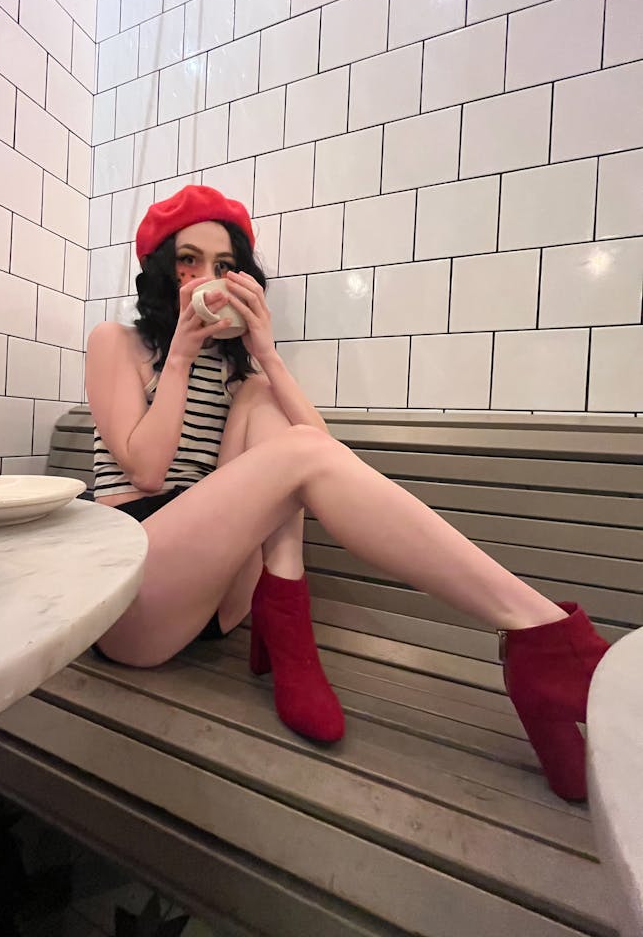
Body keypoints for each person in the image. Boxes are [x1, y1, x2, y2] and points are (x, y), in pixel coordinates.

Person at [85, 184, 609, 802]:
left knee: (271, 411)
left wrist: (266, 357)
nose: (209, 278)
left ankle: (292, 634)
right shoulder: (115, 343)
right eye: (189, 262)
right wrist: (178, 356)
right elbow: (146, 470)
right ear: (161, 272)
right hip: (130, 594)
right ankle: (545, 638)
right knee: (290, 448)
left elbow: (323, 461)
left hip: (217, 594)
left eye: (225, 267)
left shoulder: (237, 377)